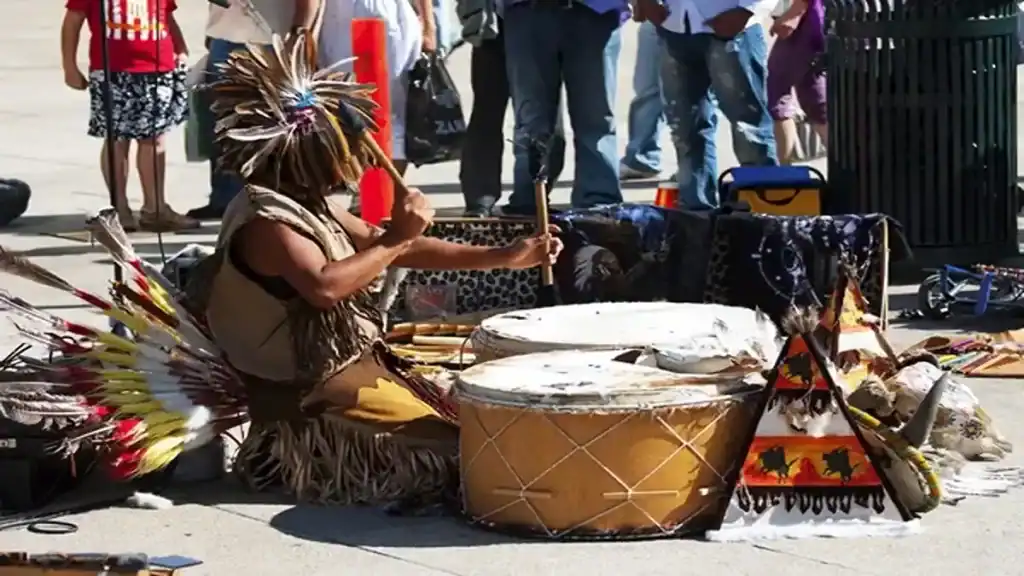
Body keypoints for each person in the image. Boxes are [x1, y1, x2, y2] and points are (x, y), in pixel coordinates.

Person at [195, 32, 563, 505]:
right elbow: (325, 288)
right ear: (310, 155)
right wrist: (397, 236)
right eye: (348, 153)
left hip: (346, 364)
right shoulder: (269, 222)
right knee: (462, 450)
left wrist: (506, 256)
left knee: (467, 417)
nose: (358, 163)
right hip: (307, 394)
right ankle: (302, 458)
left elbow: (387, 247)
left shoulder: (302, 201)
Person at [61, 0, 198, 232]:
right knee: (116, 140)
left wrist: (180, 48)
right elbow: (73, 21)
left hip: (158, 69)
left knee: (154, 139)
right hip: (111, 71)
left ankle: (155, 208)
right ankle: (120, 208)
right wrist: (69, 67)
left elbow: (167, 17)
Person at [637, 0, 778, 210]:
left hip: (732, 26)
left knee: (750, 130)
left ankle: (766, 216)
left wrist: (751, 9)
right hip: (674, 25)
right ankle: (697, 220)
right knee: (686, 130)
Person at [186, 0, 308, 221]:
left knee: (272, 125)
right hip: (224, 37)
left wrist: (301, 32)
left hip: (272, 40)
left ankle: (273, 198)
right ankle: (225, 199)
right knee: (223, 122)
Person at [502, 0, 627, 215]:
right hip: (527, 11)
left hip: (596, 10)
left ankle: (598, 202)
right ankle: (529, 199)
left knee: (596, 116)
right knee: (531, 119)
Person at [318, 0, 434, 216]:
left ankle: (382, 198)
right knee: (353, 112)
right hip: (342, 20)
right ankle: (370, 196)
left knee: (386, 115)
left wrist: (429, 25)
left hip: (383, 18)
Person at [456, 0, 566, 217]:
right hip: (493, 24)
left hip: (538, 18)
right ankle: (480, 200)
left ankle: (532, 196)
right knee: (487, 112)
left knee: (542, 112)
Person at [767, 0, 826, 164]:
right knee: (813, 93)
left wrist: (795, 13)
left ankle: (785, 174)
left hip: (807, 20)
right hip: (819, 17)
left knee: (778, 92)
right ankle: (848, 169)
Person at [620, 21, 667, 181]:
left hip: (712, 11)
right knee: (648, 90)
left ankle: (697, 170)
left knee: (701, 96)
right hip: (659, 14)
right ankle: (641, 159)